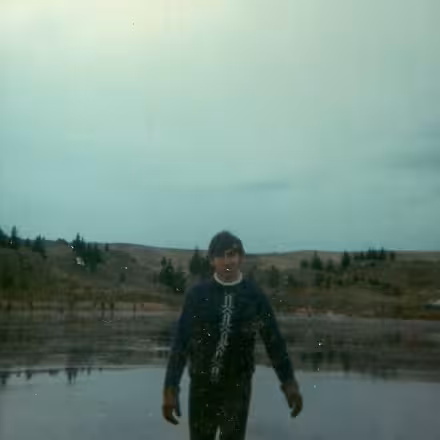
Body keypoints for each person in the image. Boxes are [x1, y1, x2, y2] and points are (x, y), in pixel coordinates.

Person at [162, 231, 303, 440]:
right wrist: (170, 389)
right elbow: (181, 343)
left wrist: (289, 383)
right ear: (212, 260)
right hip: (202, 387)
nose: (229, 261)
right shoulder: (197, 295)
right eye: (222, 255)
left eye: (233, 254)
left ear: (241, 258)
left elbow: (274, 342)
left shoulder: (254, 296)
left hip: (237, 389)